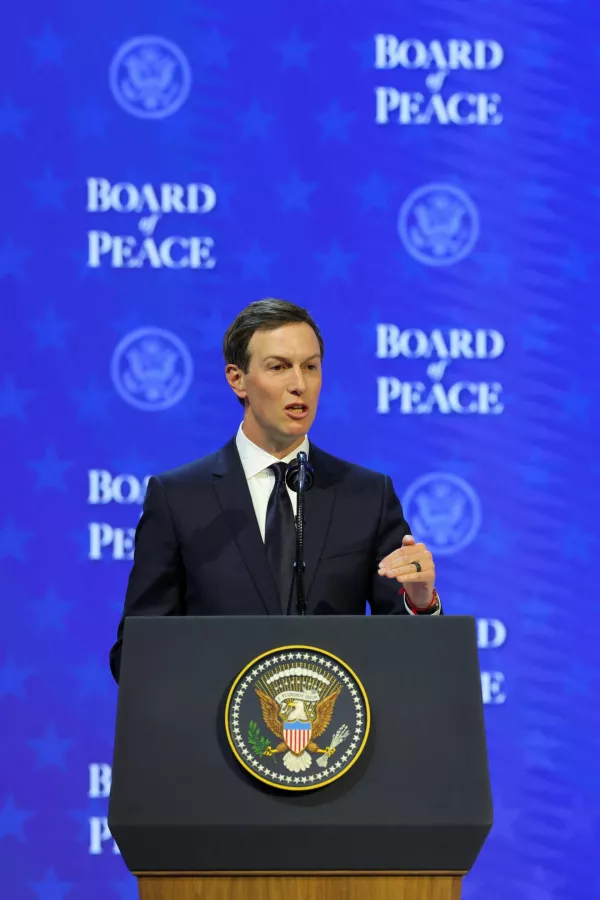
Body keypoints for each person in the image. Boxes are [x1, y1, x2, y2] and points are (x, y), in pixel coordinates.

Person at [109, 299, 441, 682]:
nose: (299, 385)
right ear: (237, 379)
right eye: (279, 367)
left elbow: (412, 656)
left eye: (310, 367)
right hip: (215, 732)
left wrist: (421, 601)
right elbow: (135, 655)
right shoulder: (179, 498)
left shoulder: (366, 495)